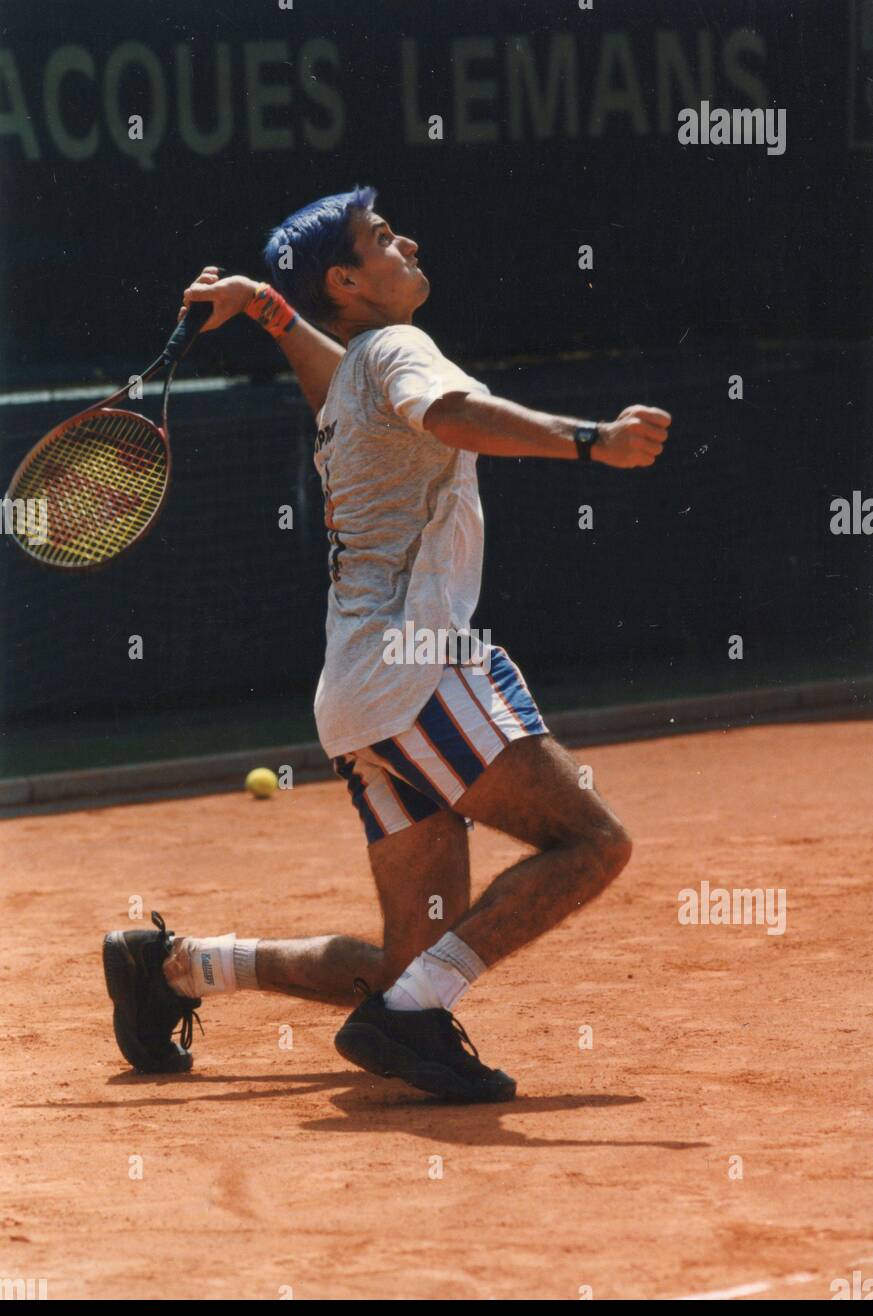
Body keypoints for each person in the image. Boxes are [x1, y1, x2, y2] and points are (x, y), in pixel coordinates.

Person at [103, 186, 671, 1103]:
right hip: (419, 675)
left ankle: (172, 968)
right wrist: (589, 441)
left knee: (407, 965)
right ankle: (412, 1017)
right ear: (348, 279)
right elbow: (449, 416)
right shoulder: (400, 353)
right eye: (380, 239)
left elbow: (337, 370)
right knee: (591, 843)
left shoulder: (359, 370)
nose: (405, 241)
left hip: (358, 700)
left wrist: (260, 303)